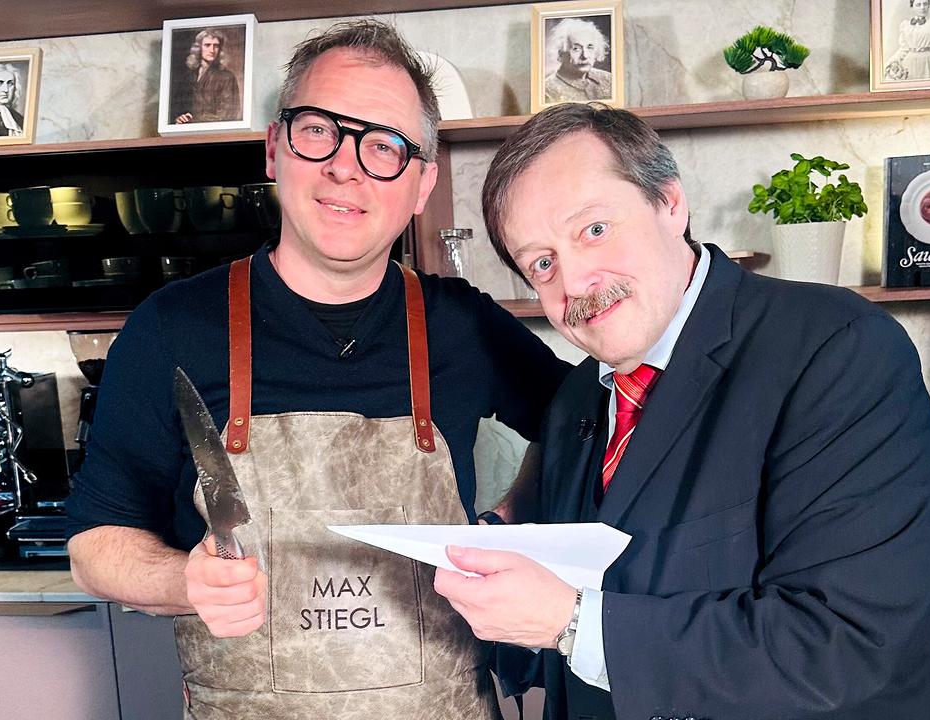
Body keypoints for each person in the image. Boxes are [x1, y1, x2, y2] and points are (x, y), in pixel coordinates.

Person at [66, 20, 569, 720]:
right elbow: (96, 544)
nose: (346, 166)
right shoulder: (170, 327)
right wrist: (185, 580)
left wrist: (513, 516)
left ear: (423, 183)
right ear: (276, 149)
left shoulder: (463, 324)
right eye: (319, 131)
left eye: (384, 146)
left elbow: (585, 422)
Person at [433, 103, 930, 720]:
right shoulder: (578, 398)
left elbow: (844, 643)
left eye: (594, 229)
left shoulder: (838, 348)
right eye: (542, 263)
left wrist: (570, 622)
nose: (573, 281)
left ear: (669, 202)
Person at [173, 28, 241, 124]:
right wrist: (179, 118)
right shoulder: (187, 76)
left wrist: (193, 120)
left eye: (216, 46)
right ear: (199, 48)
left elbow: (227, 114)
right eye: (207, 45)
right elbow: (177, 107)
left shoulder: (227, 77)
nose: (212, 50)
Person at [542, 18, 613, 104]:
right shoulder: (546, 90)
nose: (585, 56)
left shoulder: (609, 79)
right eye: (576, 49)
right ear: (561, 54)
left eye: (590, 47)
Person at [884, 0, 930, 81]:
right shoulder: (906, 25)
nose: (922, 7)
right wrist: (890, 62)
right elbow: (903, 49)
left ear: (929, 5)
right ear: (912, 6)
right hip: (910, 63)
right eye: (918, 5)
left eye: (925, 4)